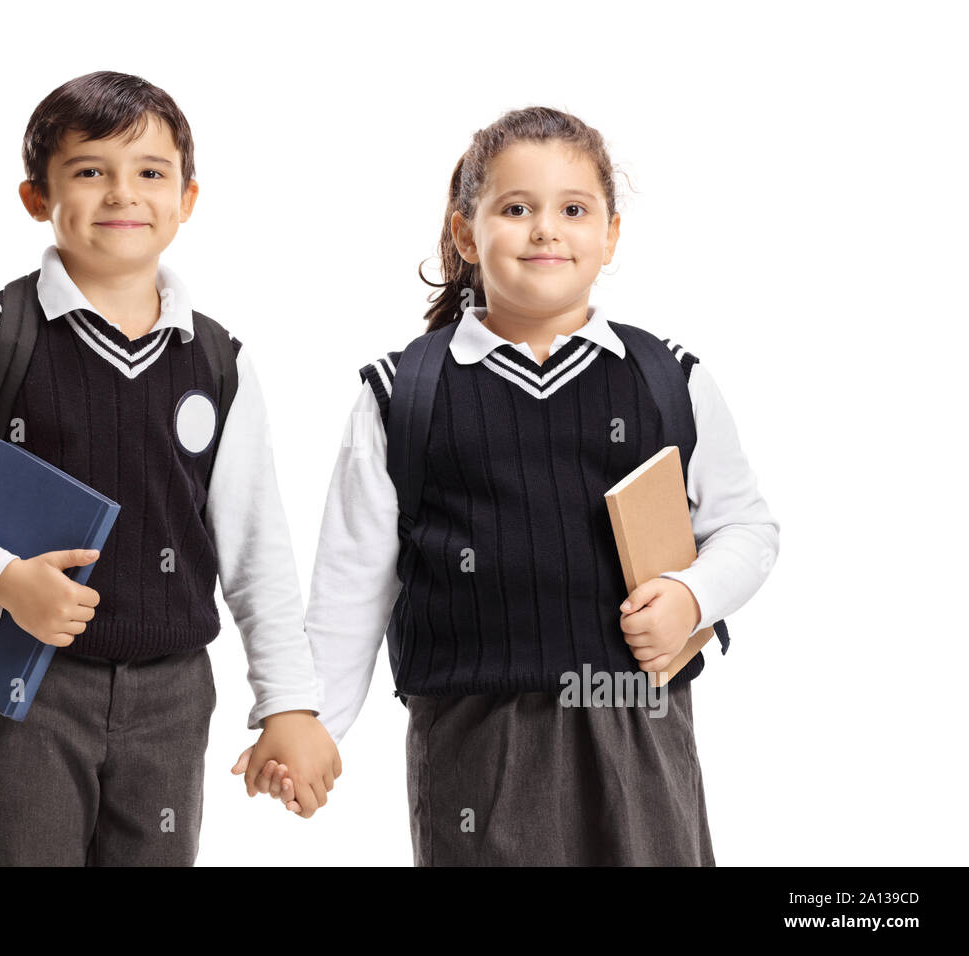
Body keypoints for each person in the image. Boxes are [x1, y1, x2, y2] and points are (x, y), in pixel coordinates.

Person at [0, 71, 338, 866]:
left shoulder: (218, 362)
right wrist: (5, 581)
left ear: (187, 199)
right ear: (35, 196)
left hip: (173, 694)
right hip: (25, 686)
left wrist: (288, 703)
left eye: (151, 172)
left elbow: (257, 551)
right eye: (90, 170)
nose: (124, 192)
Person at [303, 106, 780, 865]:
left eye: (574, 210)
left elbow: (747, 529)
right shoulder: (406, 393)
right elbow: (352, 583)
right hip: (476, 735)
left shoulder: (668, 379)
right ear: (467, 233)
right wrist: (311, 724)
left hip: (636, 719)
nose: (546, 230)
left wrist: (695, 595)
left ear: (611, 235)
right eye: (516, 209)